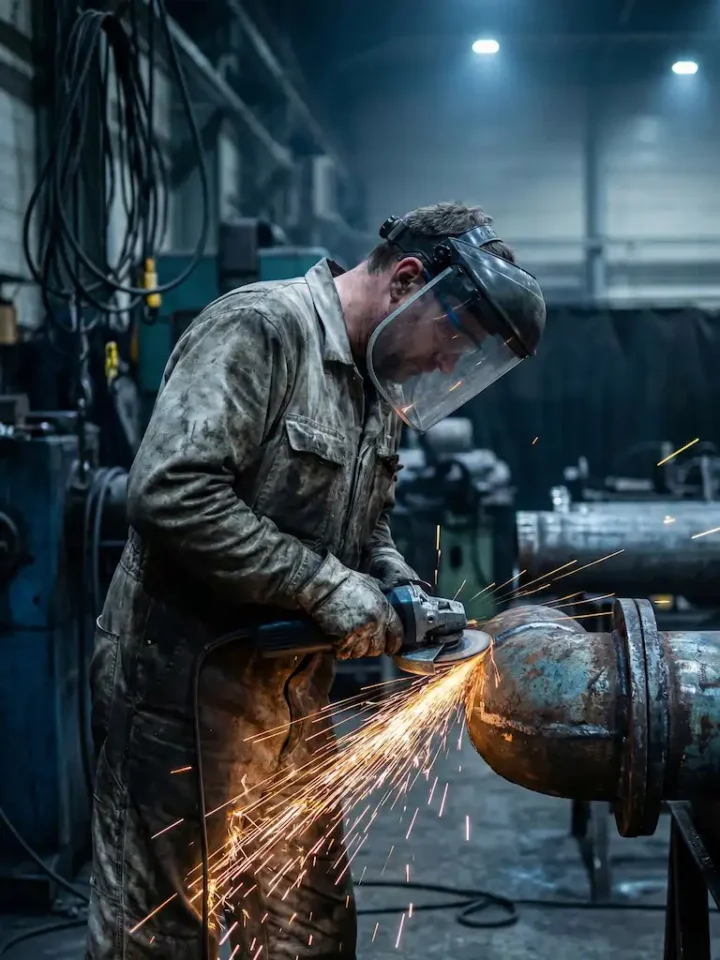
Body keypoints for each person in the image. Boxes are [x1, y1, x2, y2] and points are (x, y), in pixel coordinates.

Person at [87, 201, 546, 959]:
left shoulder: (378, 380)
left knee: (308, 924)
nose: (443, 367)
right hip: (181, 689)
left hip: (290, 693)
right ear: (407, 281)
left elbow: (365, 525)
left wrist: (396, 584)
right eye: (453, 342)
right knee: (167, 932)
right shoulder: (263, 329)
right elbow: (171, 491)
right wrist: (326, 588)